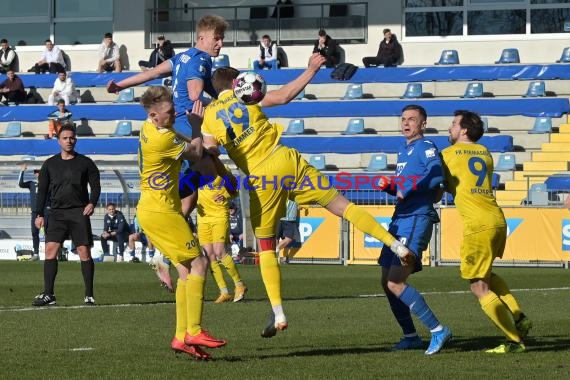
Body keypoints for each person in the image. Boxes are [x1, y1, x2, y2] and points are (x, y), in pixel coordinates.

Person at [202, 54, 412, 339]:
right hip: (284, 158)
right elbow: (284, 96)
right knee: (342, 205)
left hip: (261, 176)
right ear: (234, 83)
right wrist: (311, 69)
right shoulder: (246, 96)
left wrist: (216, 162)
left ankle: (278, 313)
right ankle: (396, 246)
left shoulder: (209, 117)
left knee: (265, 246)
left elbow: (211, 152)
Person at [107, 14, 229, 217]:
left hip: (174, 123)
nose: (220, 43)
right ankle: (168, 200)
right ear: (202, 37)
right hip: (188, 122)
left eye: (221, 38)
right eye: (216, 38)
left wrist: (120, 85)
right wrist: (220, 105)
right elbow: (194, 95)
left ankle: (175, 219)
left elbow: (151, 73)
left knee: (190, 199)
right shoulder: (201, 60)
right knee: (209, 171)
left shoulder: (181, 57)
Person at [137, 85, 226, 360]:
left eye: (173, 109)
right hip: (161, 212)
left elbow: (182, 139)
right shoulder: (162, 140)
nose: (174, 114)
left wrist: (201, 144)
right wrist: (198, 128)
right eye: (168, 112)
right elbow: (195, 153)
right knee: (200, 262)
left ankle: (180, 338)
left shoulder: (150, 127)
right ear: (154, 114)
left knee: (186, 272)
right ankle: (194, 330)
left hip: (154, 209)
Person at [441, 110, 533, 354]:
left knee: (478, 286)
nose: (449, 128)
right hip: (497, 219)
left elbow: (437, 184)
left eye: (453, 124)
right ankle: (519, 317)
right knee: (488, 276)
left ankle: (514, 341)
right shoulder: (484, 152)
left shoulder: (448, 155)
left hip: (478, 225)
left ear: (463, 130)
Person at [377, 104, 451, 355]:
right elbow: (404, 186)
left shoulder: (426, 146)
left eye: (412, 119)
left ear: (423, 124)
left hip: (417, 217)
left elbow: (436, 176)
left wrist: (407, 189)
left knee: (396, 282)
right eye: (403, 119)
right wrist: (390, 187)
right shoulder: (404, 150)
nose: (406, 123)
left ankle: (438, 329)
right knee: (385, 281)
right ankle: (410, 336)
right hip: (400, 217)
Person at [32, 124, 101, 307]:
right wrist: (39, 213)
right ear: (59, 141)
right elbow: (43, 192)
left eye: (71, 138)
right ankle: (49, 294)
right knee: (50, 251)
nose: (68, 141)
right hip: (56, 214)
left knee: (83, 252)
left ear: (75, 140)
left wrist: (92, 202)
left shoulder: (86, 163)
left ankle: (89, 295)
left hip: (78, 212)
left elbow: (95, 186)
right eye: (65, 138)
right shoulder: (49, 164)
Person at [197, 173, 247, 303]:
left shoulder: (221, 169)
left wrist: (225, 195)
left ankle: (239, 284)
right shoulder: (194, 170)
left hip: (219, 215)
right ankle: (224, 292)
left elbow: (235, 189)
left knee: (219, 251)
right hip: (202, 219)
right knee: (209, 256)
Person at [19, 163, 47, 261]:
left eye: (39, 172)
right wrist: (22, 171)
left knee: (49, 233)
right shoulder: (31, 184)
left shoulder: (47, 183)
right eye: (36, 172)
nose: (37, 174)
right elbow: (21, 184)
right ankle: (36, 254)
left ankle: (51, 254)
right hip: (34, 213)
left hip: (46, 212)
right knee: (35, 233)